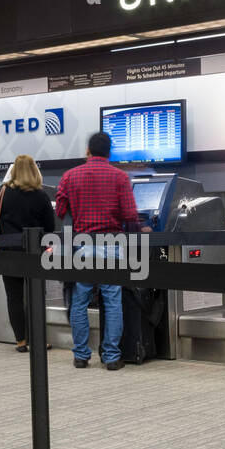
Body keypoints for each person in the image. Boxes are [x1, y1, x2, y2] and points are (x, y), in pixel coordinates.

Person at [54, 131, 141, 370]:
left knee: (80, 301)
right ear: (109, 152)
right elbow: (130, 214)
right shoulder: (120, 177)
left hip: (82, 245)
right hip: (111, 244)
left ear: (88, 151)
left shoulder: (70, 176)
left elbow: (60, 211)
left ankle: (81, 356)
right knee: (112, 300)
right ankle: (112, 357)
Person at [0, 154, 56, 352]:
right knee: (35, 295)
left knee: (13, 296)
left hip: (8, 252)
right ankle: (37, 339)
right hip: (34, 254)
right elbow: (50, 225)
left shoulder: (4, 192)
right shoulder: (40, 195)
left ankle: (20, 340)